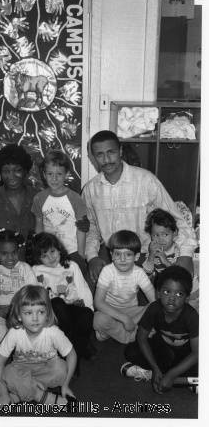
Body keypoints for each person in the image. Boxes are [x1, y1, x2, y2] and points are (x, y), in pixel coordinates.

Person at [82, 130, 197, 286]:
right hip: (111, 256)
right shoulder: (90, 189)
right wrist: (92, 257)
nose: (106, 160)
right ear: (93, 157)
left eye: (111, 152)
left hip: (146, 255)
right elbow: (91, 228)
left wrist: (186, 254)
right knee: (90, 291)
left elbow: (175, 219)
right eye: (100, 155)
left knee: (154, 302)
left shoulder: (145, 180)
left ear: (120, 151)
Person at [0, 284, 77, 405]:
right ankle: (44, 397)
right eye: (28, 313)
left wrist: (65, 385)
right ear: (19, 316)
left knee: (61, 369)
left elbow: (72, 355)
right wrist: (3, 394)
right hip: (21, 369)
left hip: (46, 368)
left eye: (41, 312)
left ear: (47, 314)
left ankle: (21, 393)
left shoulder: (53, 332)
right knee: (8, 373)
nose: (35, 318)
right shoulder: (14, 333)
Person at [121, 266, 198, 394]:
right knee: (131, 351)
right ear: (158, 293)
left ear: (187, 298)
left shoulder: (191, 317)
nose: (172, 298)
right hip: (164, 351)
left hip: (186, 355)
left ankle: (156, 376)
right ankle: (179, 380)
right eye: (167, 292)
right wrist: (155, 368)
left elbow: (197, 353)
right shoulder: (154, 309)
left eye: (179, 294)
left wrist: (172, 374)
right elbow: (141, 338)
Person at [30, 232, 94, 361]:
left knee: (86, 314)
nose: (51, 257)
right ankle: (71, 349)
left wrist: (89, 307)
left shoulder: (71, 266)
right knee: (57, 302)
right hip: (52, 312)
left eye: (52, 252)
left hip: (73, 306)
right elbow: (33, 296)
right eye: (44, 255)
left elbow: (83, 288)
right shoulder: (35, 270)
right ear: (38, 258)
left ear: (59, 249)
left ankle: (78, 348)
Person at [31, 150, 89, 279]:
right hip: (48, 253)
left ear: (66, 174)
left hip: (71, 251)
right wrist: (40, 250)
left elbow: (81, 228)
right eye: (50, 174)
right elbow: (39, 224)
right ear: (44, 174)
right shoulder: (39, 198)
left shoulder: (75, 198)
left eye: (59, 174)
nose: (54, 178)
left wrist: (80, 253)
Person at [93, 230, 155, 344]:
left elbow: (154, 301)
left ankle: (114, 333)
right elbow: (98, 302)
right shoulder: (107, 271)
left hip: (132, 311)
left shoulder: (139, 273)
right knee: (98, 319)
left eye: (128, 254)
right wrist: (125, 320)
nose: (122, 259)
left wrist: (132, 320)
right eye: (118, 254)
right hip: (110, 311)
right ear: (111, 255)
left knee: (155, 312)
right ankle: (132, 335)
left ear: (136, 256)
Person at [0, 229, 37, 346]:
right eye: (4, 254)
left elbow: (33, 292)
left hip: (22, 314)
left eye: (14, 252)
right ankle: (12, 344)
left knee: (36, 323)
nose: (10, 258)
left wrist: (19, 311)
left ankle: (17, 344)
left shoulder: (25, 268)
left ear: (18, 250)